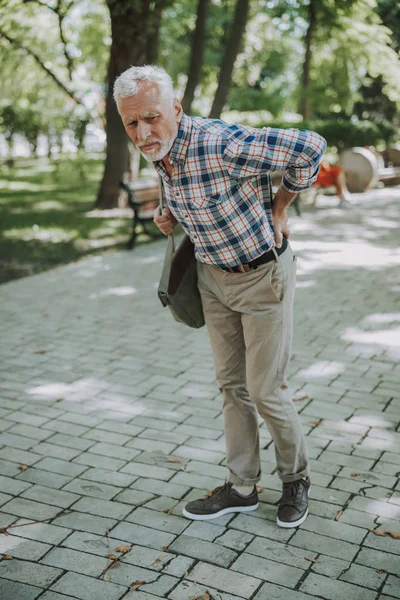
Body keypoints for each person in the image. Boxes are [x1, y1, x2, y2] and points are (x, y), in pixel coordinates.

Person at [113, 65, 327, 528]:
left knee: (265, 389)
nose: (143, 132)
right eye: (131, 123)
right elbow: (186, 185)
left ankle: (296, 480)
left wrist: (281, 205)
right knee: (232, 388)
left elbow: (311, 146)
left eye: (151, 118)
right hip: (213, 280)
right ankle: (242, 488)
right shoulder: (161, 149)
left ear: (176, 108)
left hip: (263, 275)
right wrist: (168, 214)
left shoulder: (223, 144)